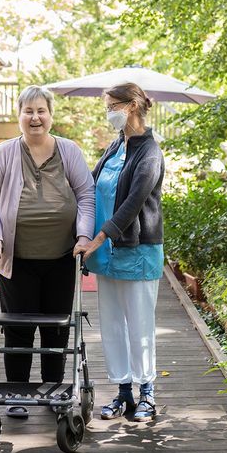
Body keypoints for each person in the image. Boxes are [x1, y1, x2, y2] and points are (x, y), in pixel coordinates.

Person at [0, 85, 95, 418]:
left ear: (50, 115)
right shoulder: (3, 153)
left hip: (62, 257)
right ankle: (16, 392)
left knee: (56, 329)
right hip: (16, 260)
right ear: (19, 116)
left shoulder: (69, 151)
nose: (35, 118)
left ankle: (53, 392)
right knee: (18, 329)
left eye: (41, 110)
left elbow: (86, 195)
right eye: (28, 111)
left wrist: (83, 235)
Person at [77, 82, 165, 422]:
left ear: (131, 106)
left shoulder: (150, 152)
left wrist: (97, 239)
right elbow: (92, 186)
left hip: (137, 251)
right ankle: (123, 392)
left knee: (139, 326)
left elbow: (133, 204)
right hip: (108, 255)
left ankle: (147, 394)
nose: (108, 112)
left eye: (113, 105)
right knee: (112, 325)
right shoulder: (116, 147)